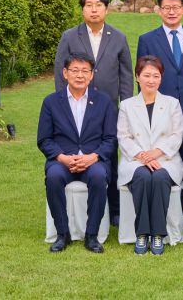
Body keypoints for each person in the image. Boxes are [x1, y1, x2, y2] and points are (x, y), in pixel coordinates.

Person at [54, 0, 133, 225]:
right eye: (89, 5)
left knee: (110, 157)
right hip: (77, 107)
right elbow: (60, 73)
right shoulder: (70, 36)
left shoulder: (118, 37)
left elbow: (126, 76)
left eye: (98, 5)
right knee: (76, 150)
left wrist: (126, 108)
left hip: (109, 109)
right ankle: (76, 207)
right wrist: (63, 107)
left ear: (106, 9)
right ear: (82, 10)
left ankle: (115, 209)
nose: (94, 9)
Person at [38, 53, 117, 253]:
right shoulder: (51, 102)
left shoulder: (104, 101)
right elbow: (44, 139)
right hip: (62, 160)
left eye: (84, 71)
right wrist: (62, 157)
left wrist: (93, 157)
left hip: (93, 160)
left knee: (99, 177)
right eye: (75, 70)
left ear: (91, 75)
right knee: (53, 177)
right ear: (65, 73)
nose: (80, 75)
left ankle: (92, 236)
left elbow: (111, 139)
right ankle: (62, 234)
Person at [136, 0, 183, 224]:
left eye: (176, 7)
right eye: (166, 8)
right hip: (160, 110)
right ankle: (164, 206)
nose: (171, 12)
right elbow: (142, 77)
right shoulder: (147, 39)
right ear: (159, 10)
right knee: (164, 154)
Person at [117, 56, 183, 255]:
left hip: (166, 159)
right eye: (146, 75)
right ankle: (142, 234)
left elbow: (177, 134)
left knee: (160, 177)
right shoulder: (127, 105)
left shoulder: (172, 103)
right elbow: (123, 136)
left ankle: (158, 235)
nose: (151, 80)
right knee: (143, 176)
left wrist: (156, 153)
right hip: (136, 160)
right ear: (137, 77)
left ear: (161, 78)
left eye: (156, 76)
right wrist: (142, 156)